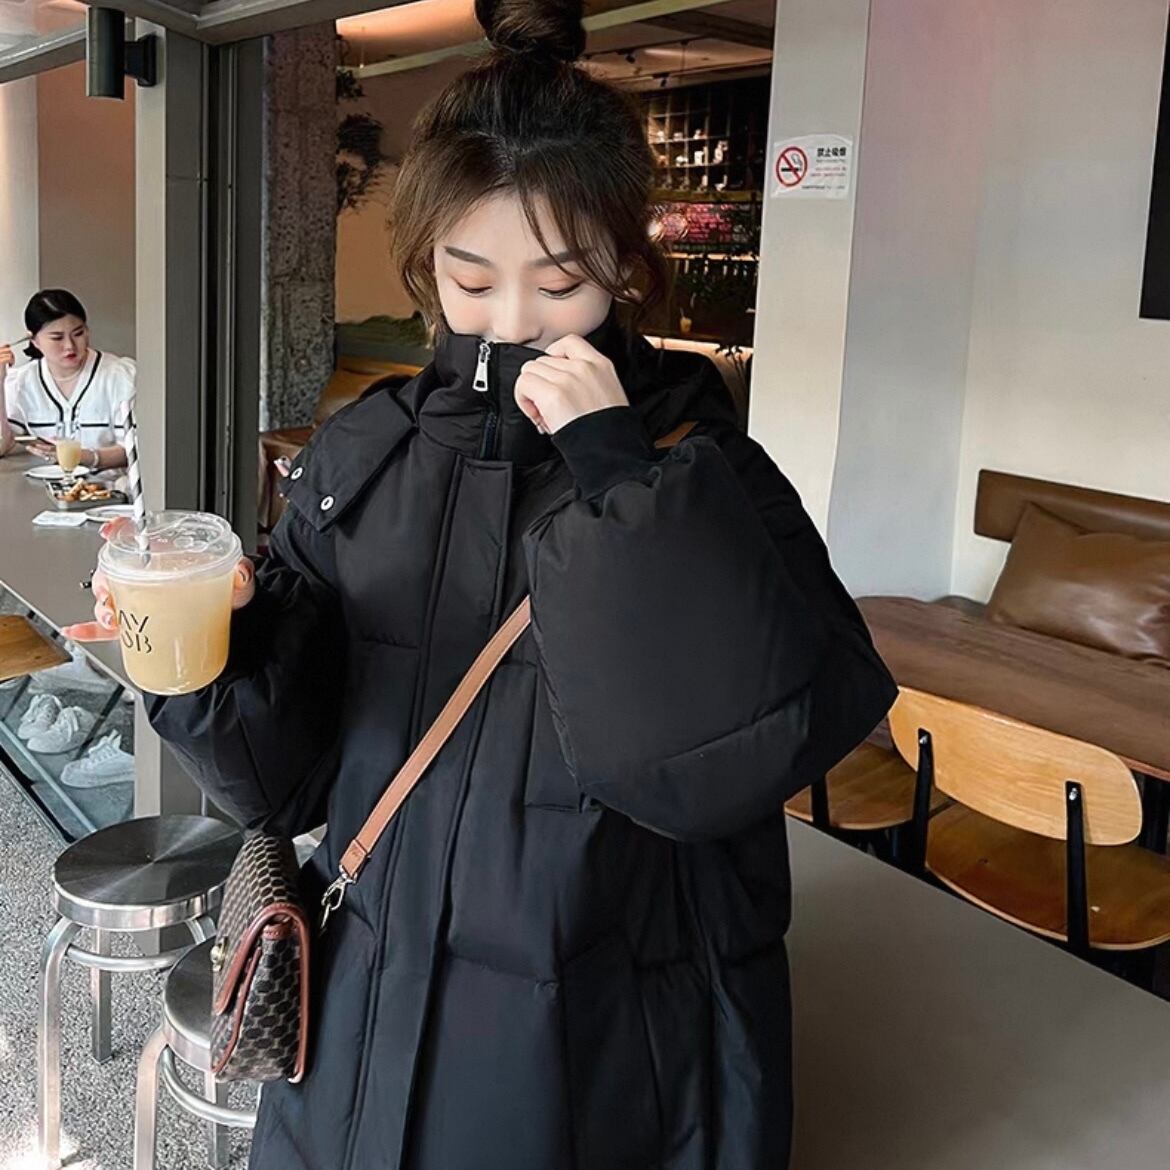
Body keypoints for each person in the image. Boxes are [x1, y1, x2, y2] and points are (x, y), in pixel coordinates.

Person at [67, 0, 897, 1164]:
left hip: (603, 1028)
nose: (512, 324)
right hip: (369, 1004)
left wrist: (618, 480)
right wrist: (219, 653)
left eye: (560, 285)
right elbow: (284, 788)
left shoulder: (694, 460)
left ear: (625, 267)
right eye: (471, 281)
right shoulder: (366, 456)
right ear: (428, 268)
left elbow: (732, 762)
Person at [0, 289, 134, 471]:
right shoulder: (21, 382)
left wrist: (84, 457)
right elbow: (3, 445)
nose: (70, 346)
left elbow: (135, 449)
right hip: (45, 487)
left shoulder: (120, 376)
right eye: (57, 338)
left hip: (110, 485)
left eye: (78, 333)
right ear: (34, 340)